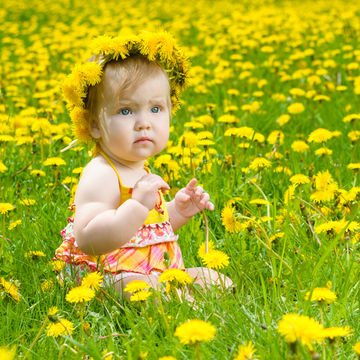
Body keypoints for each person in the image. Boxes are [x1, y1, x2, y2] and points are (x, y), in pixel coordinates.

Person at [54, 31, 232, 297]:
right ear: (93, 125)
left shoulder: (139, 167)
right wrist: (137, 205)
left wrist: (177, 211)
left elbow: (145, 230)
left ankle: (174, 292)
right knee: (138, 287)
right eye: (126, 110)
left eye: (156, 109)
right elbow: (88, 237)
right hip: (103, 275)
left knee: (212, 279)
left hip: (146, 268)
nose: (144, 122)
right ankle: (172, 299)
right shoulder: (102, 173)